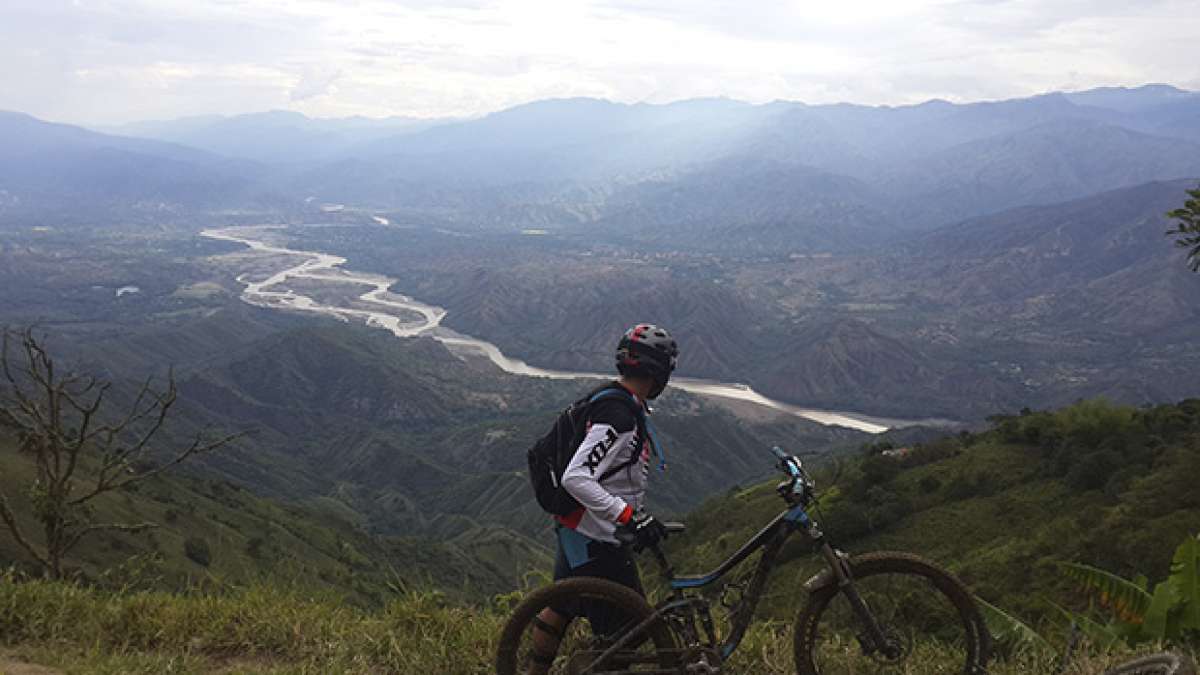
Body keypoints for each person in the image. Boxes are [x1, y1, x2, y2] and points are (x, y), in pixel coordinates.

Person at [527, 323, 679, 673]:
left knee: (561, 605)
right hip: (594, 537)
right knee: (628, 633)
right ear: (658, 372)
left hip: (576, 529)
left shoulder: (614, 398)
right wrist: (629, 516)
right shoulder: (619, 416)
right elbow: (576, 477)